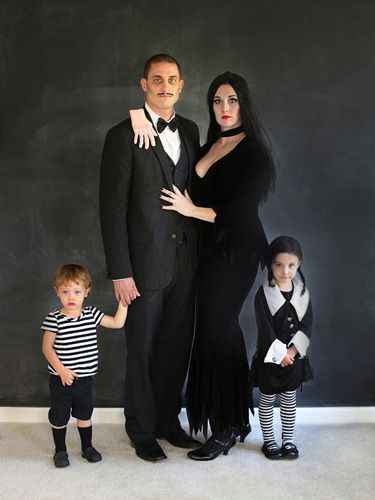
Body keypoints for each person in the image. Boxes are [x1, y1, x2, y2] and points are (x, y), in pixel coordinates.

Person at [133, 71, 276, 460]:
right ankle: (226, 421)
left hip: (238, 254)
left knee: (220, 332)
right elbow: (161, 133)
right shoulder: (208, 141)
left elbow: (243, 214)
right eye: (217, 101)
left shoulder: (254, 153)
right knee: (213, 335)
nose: (225, 108)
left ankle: (230, 426)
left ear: (243, 104)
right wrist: (136, 114)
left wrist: (191, 209)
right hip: (207, 254)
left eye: (232, 100)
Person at [99, 54, 201, 462]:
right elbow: (112, 209)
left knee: (176, 347)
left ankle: (167, 422)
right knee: (141, 349)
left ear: (182, 84)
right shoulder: (122, 135)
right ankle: (141, 430)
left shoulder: (192, 130)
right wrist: (120, 272)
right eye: (156, 79)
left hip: (186, 263)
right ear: (144, 84)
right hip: (142, 267)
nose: (165, 86)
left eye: (172, 79)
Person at [41, 264, 127, 468]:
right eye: (65, 291)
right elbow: (47, 348)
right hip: (61, 381)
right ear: (57, 292)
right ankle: (60, 450)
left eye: (77, 291)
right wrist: (61, 370)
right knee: (60, 417)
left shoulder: (91, 315)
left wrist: (124, 302)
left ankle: (87, 446)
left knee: (84, 416)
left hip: (85, 381)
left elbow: (116, 322)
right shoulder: (55, 319)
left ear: (87, 292)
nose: (71, 296)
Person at [251, 236, 313, 460]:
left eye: (291, 265)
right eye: (278, 264)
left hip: (294, 360)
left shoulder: (303, 294)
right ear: (271, 265)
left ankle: (288, 440)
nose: (285, 271)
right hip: (270, 359)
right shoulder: (263, 294)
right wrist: (280, 355)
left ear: (299, 265)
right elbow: (265, 330)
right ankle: (269, 441)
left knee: (289, 399)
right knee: (266, 400)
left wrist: (292, 352)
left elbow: (307, 326)